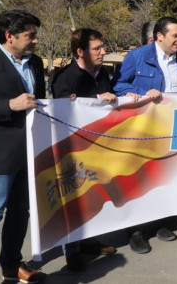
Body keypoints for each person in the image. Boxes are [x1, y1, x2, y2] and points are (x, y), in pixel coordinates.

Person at [0, 10, 47, 283]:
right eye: (30, 35)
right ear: (9, 36)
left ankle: (11, 265)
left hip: (28, 154)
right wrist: (8, 105)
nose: (36, 41)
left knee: (20, 214)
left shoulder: (36, 63)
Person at [112, 17, 177, 254]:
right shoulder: (138, 56)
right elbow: (118, 85)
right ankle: (136, 231)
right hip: (142, 128)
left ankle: (159, 223)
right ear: (160, 36)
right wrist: (143, 92)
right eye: (175, 36)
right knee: (139, 179)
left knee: (163, 177)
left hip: (173, 128)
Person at [51, 28, 119, 271]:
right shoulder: (65, 77)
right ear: (80, 51)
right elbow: (61, 112)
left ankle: (89, 241)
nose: (103, 52)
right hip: (72, 150)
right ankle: (72, 251)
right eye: (97, 48)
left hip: (98, 146)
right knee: (73, 199)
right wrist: (96, 99)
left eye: (103, 47)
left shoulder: (102, 74)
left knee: (93, 196)